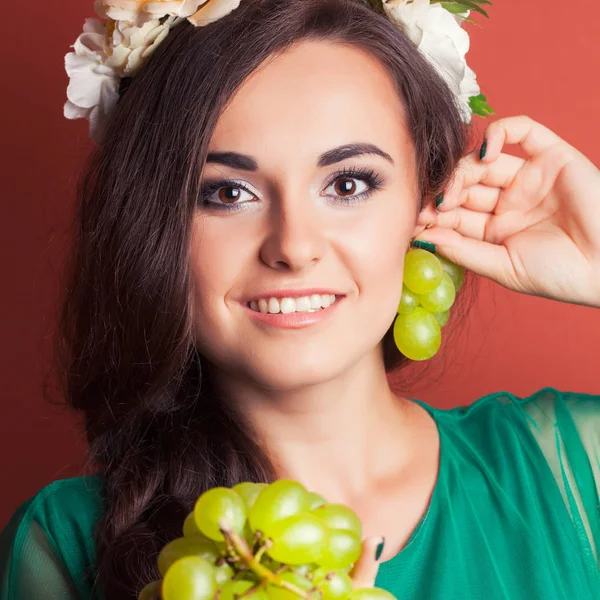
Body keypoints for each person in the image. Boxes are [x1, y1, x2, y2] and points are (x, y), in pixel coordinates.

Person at [1, 0, 599, 598]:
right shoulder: (62, 547)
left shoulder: (573, 470)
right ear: (156, 225)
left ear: (428, 202)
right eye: (228, 193)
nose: (293, 247)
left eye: (347, 184)